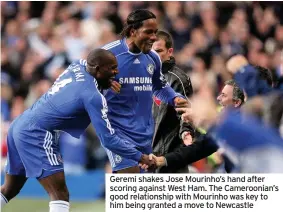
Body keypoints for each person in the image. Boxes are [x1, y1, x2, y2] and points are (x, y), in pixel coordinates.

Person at [0, 49, 154, 212]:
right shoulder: (92, 96)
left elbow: (87, 76)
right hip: (36, 133)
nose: (116, 73)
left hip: (19, 125)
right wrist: (140, 157)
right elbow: (108, 139)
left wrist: (105, 82)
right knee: (60, 194)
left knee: (9, 189)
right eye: (111, 68)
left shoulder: (78, 65)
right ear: (97, 69)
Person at [101, 9, 188, 173]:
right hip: (117, 132)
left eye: (155, 32)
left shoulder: (153, 58)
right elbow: (86, 81)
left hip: (145, 134)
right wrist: (103, 83)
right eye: (148, 32)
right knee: (130, 177)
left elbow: (160, 86)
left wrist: (174, 98)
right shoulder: (108, 54)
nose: (154, 37)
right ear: (133, 31)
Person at [151, 30, 194, 173]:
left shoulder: (178, 79)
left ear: (170, 52)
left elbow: (185, 112)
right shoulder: (143, 76)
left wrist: (186, 132)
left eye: (158, 51)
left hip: (169, 155)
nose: (153, 56)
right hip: (147, 155)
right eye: (150, 51)